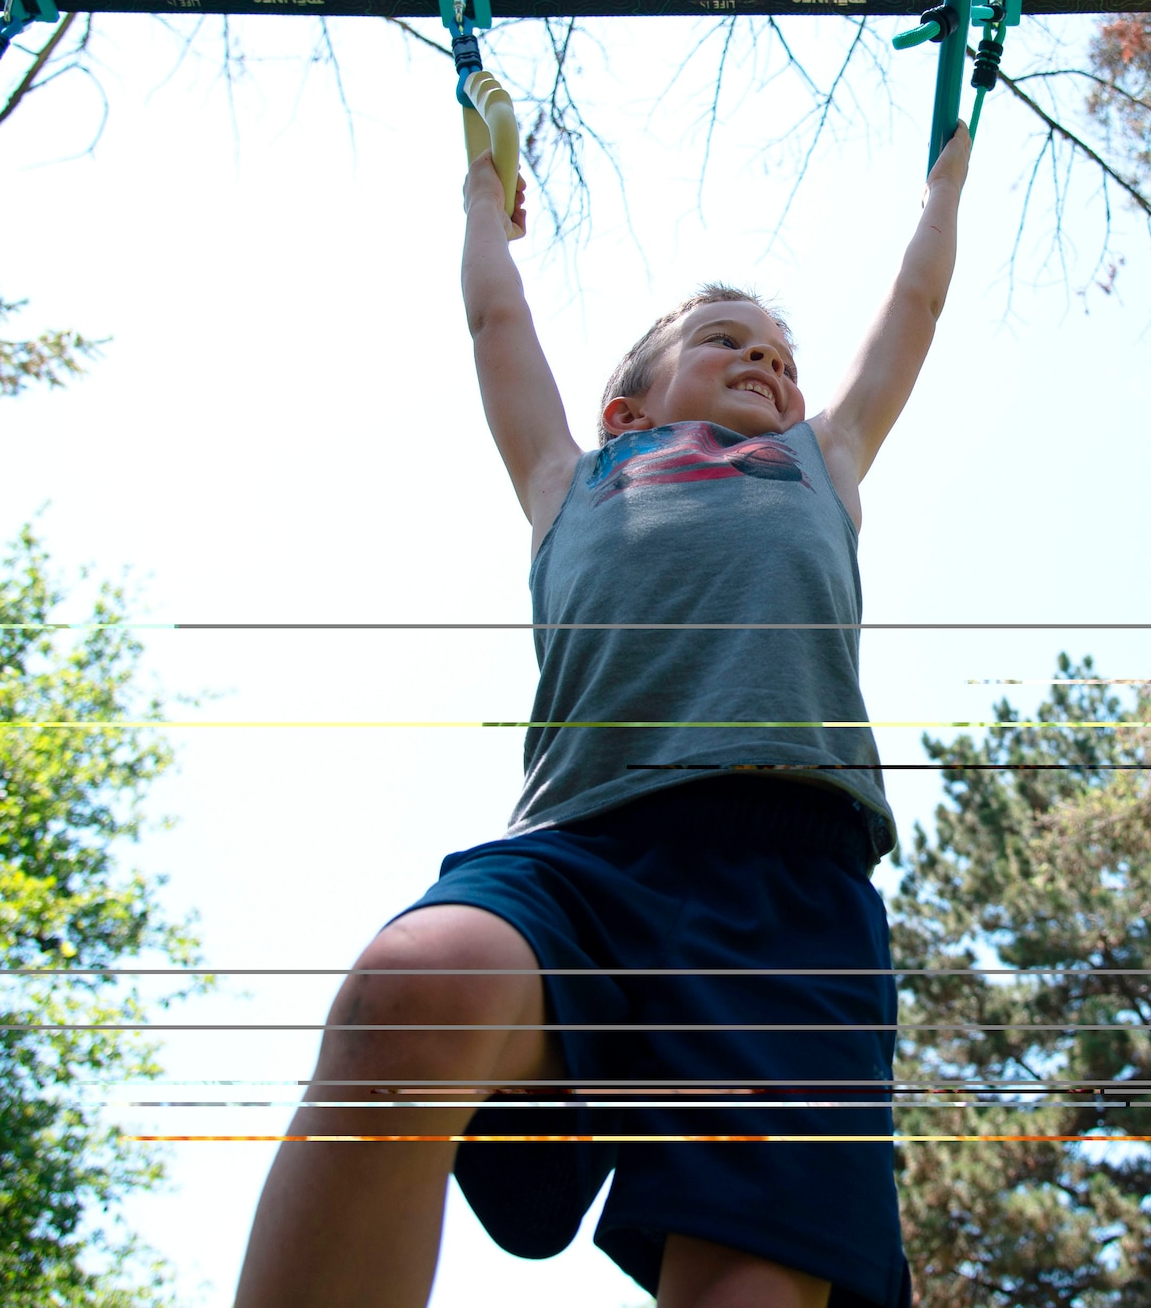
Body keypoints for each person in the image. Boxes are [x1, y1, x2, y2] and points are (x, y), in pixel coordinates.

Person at [235, 124, 973, 1308]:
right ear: (625, 408)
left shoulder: (822, 463)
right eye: (725, 340)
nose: (768, 364)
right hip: (581, 858)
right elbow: (495, 323)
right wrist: (484, 195)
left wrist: (946, 179)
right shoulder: (566, 478)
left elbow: (915, 306)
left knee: (744, 1294)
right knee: (409, 990)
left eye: (783, 355)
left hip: (787, 891)